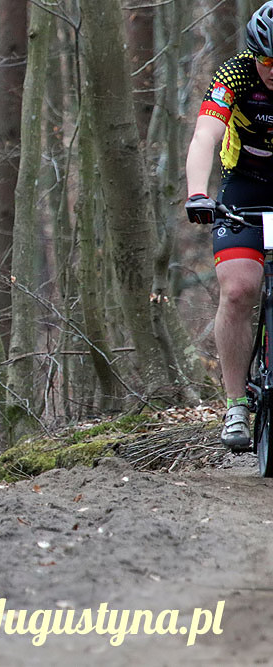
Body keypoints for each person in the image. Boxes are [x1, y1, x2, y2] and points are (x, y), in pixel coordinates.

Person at [185, 1, 273, 452]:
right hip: (245, 187)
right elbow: (205, 135)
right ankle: (237, 403)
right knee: (239, 288)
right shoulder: (235, 74)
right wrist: (199, 193)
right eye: (266, 59)